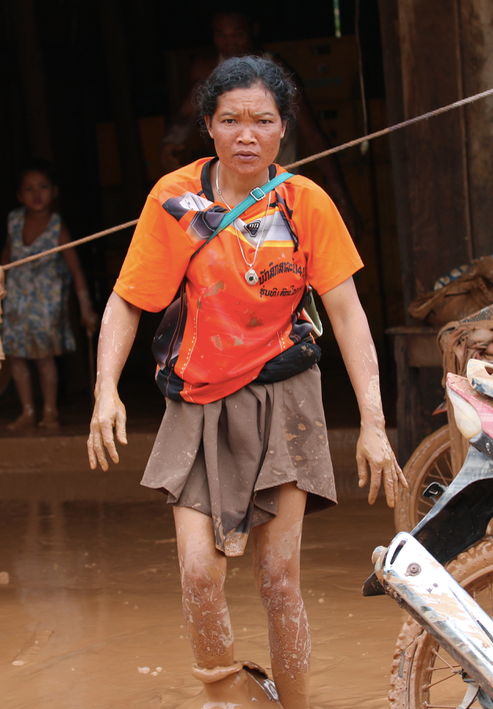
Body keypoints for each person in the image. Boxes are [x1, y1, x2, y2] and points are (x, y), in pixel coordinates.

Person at [87, 56, 403, 709]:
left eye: (262, 120)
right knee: (199, 572)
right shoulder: (175, 201)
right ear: (208, 126)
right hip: (197, 399)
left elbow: (347, 314)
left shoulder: (306, 203)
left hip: (285, 398)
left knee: (279, 578)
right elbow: (126, 299)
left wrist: (373, 422)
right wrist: (104, 391)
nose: (246, 134)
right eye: (231, 119)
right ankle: (227, 698)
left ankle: (296, 705)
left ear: (284, 129)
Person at [160, 9, 363, 238]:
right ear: (209, 125)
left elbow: (313, 133)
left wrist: (343, 198)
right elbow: (185, 116)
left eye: (237, 34)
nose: (229, 44)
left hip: (277, 186)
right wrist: (170, 145)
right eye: (221, 35)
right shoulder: (208, 68)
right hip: (232, 193)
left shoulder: (276, 73)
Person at [0, 161, 97, 430]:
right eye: (29, 189)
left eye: (42, 187)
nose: (36, 194)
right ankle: (28, 411)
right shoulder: (14, 220)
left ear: (54, 191)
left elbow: (76, 270)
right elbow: (7, 254)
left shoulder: (57, 227)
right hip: (17, 302)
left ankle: (50, 411)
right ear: (20, 196)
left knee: (44, 358)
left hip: (46, 304)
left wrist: (86, 308)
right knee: (17, 357)